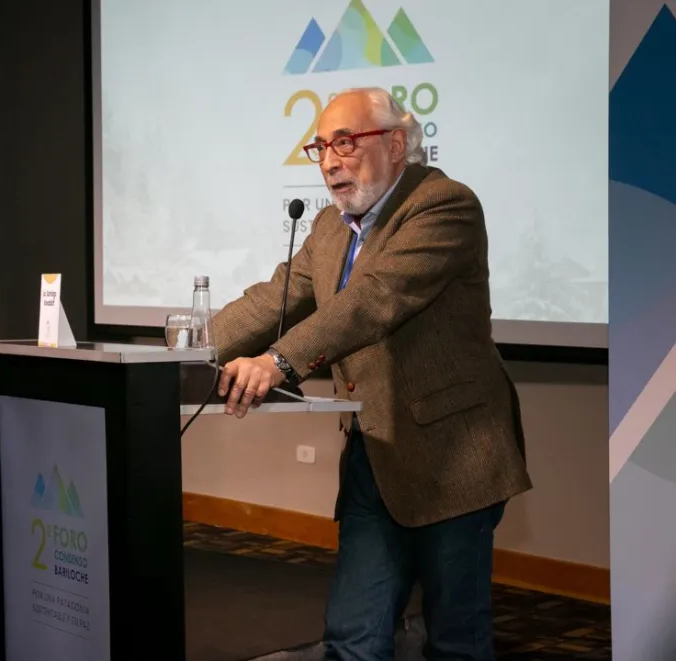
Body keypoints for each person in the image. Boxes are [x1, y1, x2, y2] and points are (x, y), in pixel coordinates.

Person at [209, 87, 532, 660]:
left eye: (345, 143)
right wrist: (183, 350)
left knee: (456, 642)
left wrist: (276, 361)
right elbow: (273, 299)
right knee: (353, 638)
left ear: (397, 144)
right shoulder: (331, 227)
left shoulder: (444, 206)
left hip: (454, 457)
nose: (329, 161)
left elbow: (374, 300)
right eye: (320, 148)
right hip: (373, 456)